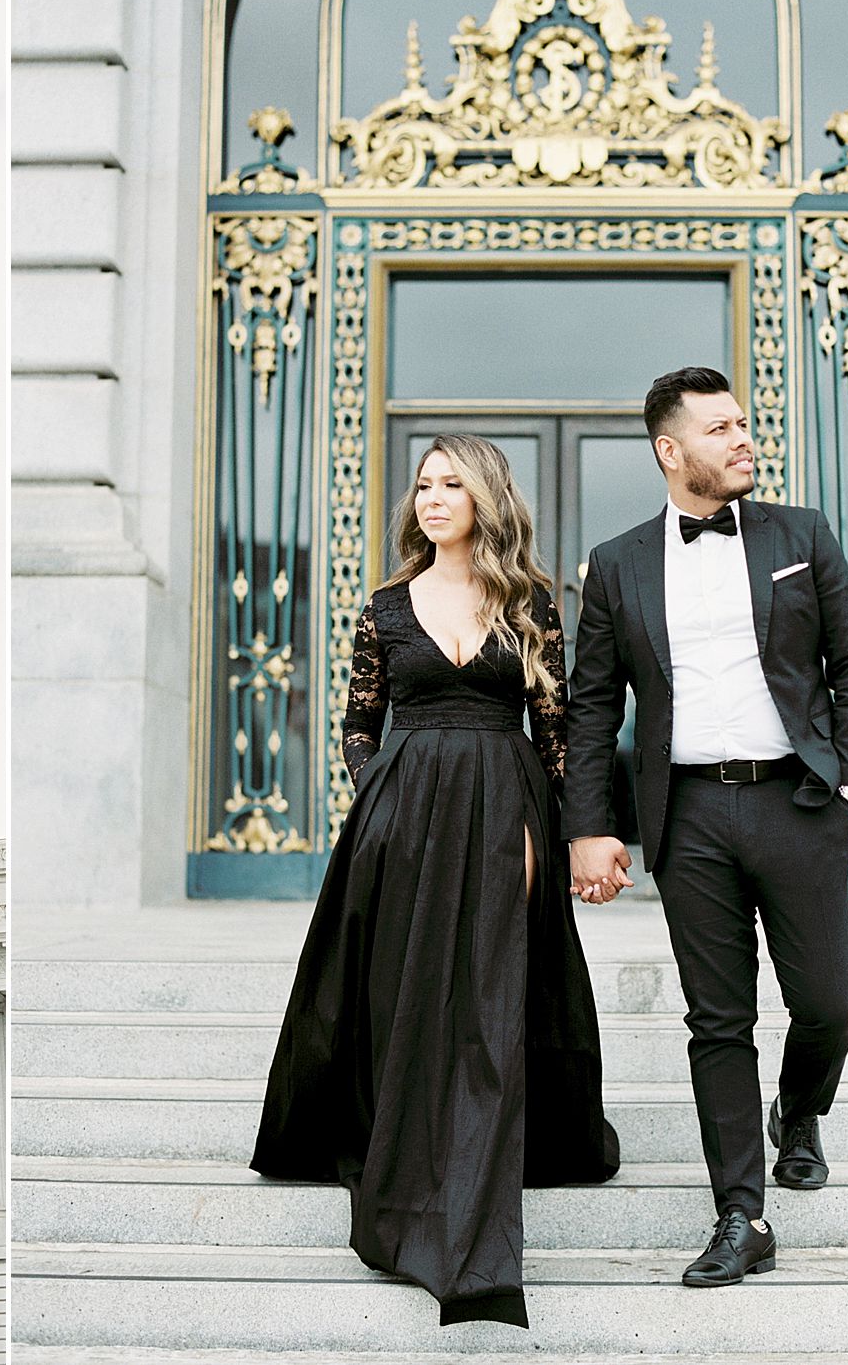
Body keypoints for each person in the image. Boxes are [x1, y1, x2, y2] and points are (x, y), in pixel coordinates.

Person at [250, 433, 620, 1329]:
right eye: (423, 484)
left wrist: (568, 833)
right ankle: (408, 1151)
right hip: (402, 823)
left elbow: (557, 731)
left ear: (486, 497)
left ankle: (476, 1199)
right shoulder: (384, 608)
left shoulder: (530, 604)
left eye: (452, 483)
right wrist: (380, 797)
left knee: (491, 1001)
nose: (432, 497)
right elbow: (357, 724)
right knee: (404, 994)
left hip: (505, 809)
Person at [566, 366, 848, 1288]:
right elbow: (594, 709)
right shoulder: (618, 563)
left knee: (828, 1001)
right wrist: (590, 826)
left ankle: (800, 1107)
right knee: (718, 1020)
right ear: (670, 451)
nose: (742, 439)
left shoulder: (801, 534)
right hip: (689, 814)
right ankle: (742, 1215)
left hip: (797, 801)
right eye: (720, 429)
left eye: (742, 423)